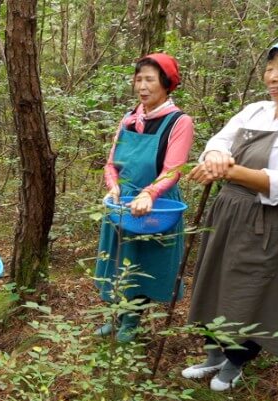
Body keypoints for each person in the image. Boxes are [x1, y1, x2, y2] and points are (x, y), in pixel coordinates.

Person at [185, 31, 278, 391]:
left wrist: (229, 170)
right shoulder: (255, 110)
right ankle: (214, 355)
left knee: (252, 289)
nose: (272, 76)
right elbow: (219, 140)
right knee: (215, 281)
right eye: (270, 67)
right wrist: (216, 155)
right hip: (229, 210)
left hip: (270, 219)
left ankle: (236, 362)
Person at [94, 53, 194, 343]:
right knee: (118, 259)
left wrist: (149, 193)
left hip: (156, 205)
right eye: (139, 79)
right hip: (122, 202)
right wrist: (113, 186)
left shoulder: (179, 122)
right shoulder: (128, 119)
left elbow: (173, 170)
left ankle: (133, 320)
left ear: (166, 83)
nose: (142, 86)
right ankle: (117, 315)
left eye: (150, 79)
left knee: (145, 262)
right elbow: (111, 163)